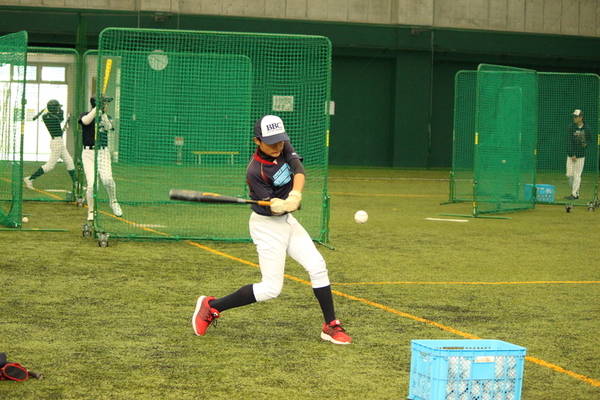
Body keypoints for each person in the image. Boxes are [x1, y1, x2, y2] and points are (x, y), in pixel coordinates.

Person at [191, 115, 352, 345]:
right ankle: (212, 306)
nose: (277, 147)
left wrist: (295, 195)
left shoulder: (283, 145)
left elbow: (298, 169)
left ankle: (330, 325)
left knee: (317, 266)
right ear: (257, 141)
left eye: (280, 141)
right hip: (266, 226)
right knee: (271, 288)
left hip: (287, 221)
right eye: (271, 143)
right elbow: (272, 210)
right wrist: (277, 205)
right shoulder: (255, 171)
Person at [78, 96, 122, 220]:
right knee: (92, 185)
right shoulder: (85, 115)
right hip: (88, 154)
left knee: (107, 179)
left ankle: (113, 201)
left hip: (103, 153)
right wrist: (96, 109)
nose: (106, 106)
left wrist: (102, 114)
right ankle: (91, 211)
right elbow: (86, 121)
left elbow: (108, 127)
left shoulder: (107, 117)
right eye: (105, 104)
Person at [23, 99, 76, 191]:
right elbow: (60, 119)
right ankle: (30, 178)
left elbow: (55, 116)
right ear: (53, 109)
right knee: (50, 165)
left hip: (58, 142)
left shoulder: (45, 116)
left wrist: (57, 109)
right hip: (57, 143)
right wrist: (62, 111)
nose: (58, 109)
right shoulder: (53, 118)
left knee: (69, 162)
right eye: (57, 107)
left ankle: (76, 183)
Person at [565, 109, 587, 200]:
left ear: (581, 117)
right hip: (571, 155)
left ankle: (574, 194)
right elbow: (569, 141)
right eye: (574, 116)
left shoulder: (586, 128)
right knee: (569, 175)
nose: (574, 118)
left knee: (577, 175)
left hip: (580, 156)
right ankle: (575, 191)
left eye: (576, 116)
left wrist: (585, 143)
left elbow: (589, 140)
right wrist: (572, 154)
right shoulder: (571, 127)